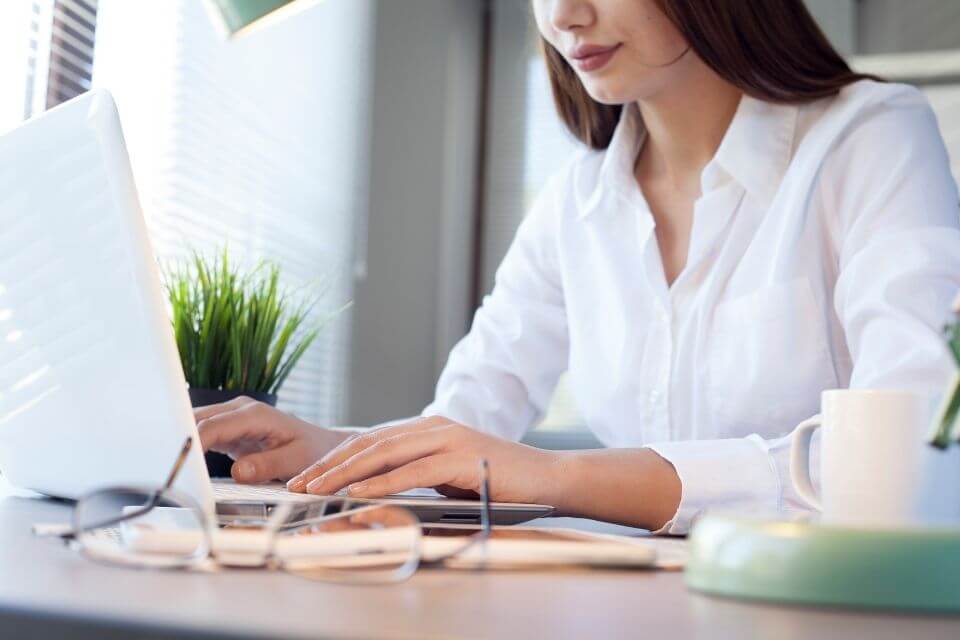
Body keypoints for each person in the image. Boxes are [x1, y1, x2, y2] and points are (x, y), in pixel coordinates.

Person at [194, 0, 960, 534]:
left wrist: (557, 477)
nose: (563, 15)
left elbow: (913, 458)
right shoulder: (579, 199)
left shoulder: (869, 139)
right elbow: (468, 422)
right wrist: (333, 450)